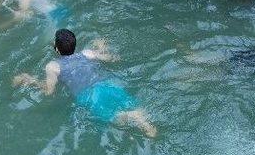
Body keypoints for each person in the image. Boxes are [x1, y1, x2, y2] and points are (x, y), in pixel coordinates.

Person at [13, 29, 157, 137]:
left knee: (114, 117)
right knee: (130, 104)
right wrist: (102, 46)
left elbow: (48, 91)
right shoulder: (87, 53)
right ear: (75, 44)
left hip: (88, 95)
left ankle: (130, 116)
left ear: (56, 49)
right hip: (105, 83)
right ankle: (140, 119)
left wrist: (29, 80)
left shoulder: (53, 66)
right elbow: (112, 58)